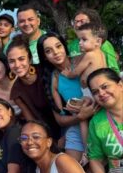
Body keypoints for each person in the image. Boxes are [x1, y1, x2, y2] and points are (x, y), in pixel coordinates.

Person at [37, 32, 97, 163]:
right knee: (73, 167)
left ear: (64, 46)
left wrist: (91, 111)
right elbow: (60, 118)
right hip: (78, 123)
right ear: (45, 57)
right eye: (48, 51)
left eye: (58, 46)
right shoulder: (53, 78)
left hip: (99, 112)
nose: (56, 52)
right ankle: (87, 153)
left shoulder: (81, 60)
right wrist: (79, 116)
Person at [87, 68, 123, 173]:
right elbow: (95, 158)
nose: (101, 93)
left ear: (120, 85)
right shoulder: (97, 122)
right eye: (95, 92)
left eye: (105, 86)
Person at [7, 36, 62, 139]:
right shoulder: (16, 92)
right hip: (48, 134)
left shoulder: (45, 69)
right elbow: (32, 121)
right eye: (12, 61)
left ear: (30, 59)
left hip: (67, 119)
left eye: (21, 59)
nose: (17, 65)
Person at [67, 8, 119, 73]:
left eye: (82, 21)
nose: (77, 25)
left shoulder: (103, 43)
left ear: (92, 24)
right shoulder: (71, 45)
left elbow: (114, 70)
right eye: (75, 22)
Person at [63, 24, 109, 93]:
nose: (80, 43)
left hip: (90, 89)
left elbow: (76, 72)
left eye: (84, 40)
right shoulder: (102, 54)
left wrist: (68, 74)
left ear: (98, 42)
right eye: (79, 40)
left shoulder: (89, 55)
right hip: (100, 86)